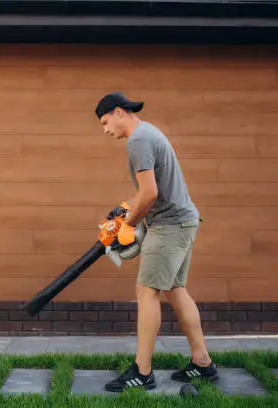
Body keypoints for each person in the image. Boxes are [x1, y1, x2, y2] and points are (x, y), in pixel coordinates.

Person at [94, 92, 218, 392]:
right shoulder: (150, 133)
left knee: (146, 290)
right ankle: (203, 363)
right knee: (175, 290)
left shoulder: (138, 141)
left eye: (105, 122)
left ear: (120, 112)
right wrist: (126, 208)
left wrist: (128, 225)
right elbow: (152, 190)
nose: (106, 130)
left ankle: (142, 371)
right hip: (184, 220)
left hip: (169, 225)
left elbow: (149, 194)